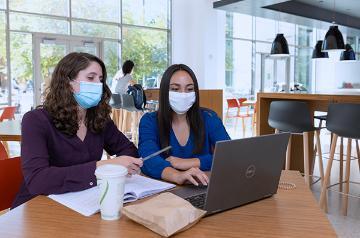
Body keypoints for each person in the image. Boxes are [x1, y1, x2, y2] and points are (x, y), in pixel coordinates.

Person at [12, 52, 142, 208]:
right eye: (90, 78)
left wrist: (123, 164)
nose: (98, 84)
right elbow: (38, 180)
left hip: (84, 203)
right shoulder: (35, 120)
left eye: (100, 79)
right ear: (68, 83)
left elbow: (128, 150)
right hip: (37, 207)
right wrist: (103, 167)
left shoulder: (99, 118)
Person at [138, 64, 230, 186]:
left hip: (203, 186)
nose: (183, 94)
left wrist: (188, 162)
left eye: (189, 89)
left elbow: (228, 155)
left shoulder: (209, 117)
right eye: (175, 89)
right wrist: (178, 176)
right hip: (166, 193)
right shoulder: (149, 121)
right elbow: (148, 159)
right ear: (165, 91)